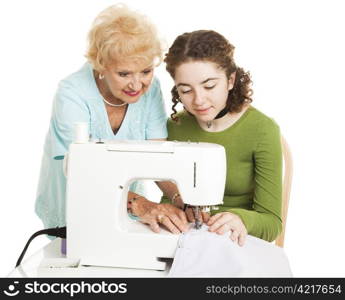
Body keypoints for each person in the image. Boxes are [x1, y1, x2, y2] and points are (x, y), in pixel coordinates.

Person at [35, 4, 188, 235]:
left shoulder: (151, 89)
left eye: (146, 71)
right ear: (101, 66)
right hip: (74, 203)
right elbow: (80, 171)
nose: (137, 85)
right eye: (124, 74)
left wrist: (180, 198)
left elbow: (157, 156)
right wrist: (141, 204)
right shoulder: (72, 94)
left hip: (128, 205)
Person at [162, 30, 283, 246]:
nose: (198, 100)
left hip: (234, 242)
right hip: (177, 238)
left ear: (230, 80)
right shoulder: (174, 127)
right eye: (186, 90)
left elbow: (272, 224)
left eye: (209, 86)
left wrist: (241, 219)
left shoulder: (262, 130)